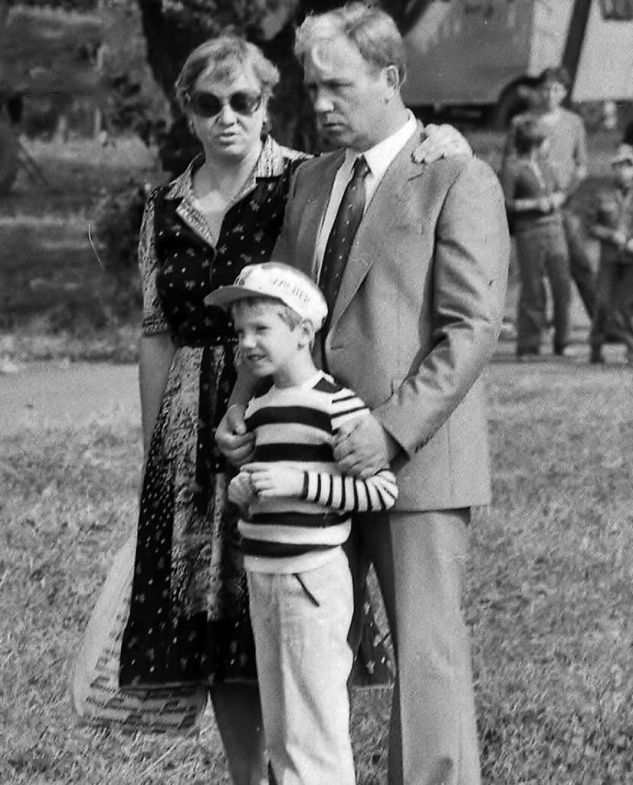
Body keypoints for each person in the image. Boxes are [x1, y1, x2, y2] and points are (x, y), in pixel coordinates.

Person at [121, 31, 473, 785]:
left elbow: (395, 176)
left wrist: (443, 135)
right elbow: (157, 331)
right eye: (208, 103)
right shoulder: (184, 202)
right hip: (221, 431)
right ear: (186, 110)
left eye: (243, 100)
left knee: (329, 619)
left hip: (318, 425)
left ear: (265, 105)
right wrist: (173, 447)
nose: (227, 116)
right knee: (231, 622)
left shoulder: (305, 177)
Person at [216, 4, 510, 785]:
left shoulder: (457, 175)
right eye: (311, 88)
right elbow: (278, 309)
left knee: (426, 656)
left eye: (337, 87)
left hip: (418, 462)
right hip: (311, 458)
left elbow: (471, 328)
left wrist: (390, 429)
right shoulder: (312, 179)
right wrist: (244, 400)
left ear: (390, 78)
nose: (319, 104)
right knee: (309, 654)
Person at [204, 262, 398, 785]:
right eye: (240, 332)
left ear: (303, 331)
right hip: (262, 576)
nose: (247, 343)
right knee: (283, 726)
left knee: (315, 722)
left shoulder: (335, 403)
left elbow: (381, 490)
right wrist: (245, 493)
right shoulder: (260, 408)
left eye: (261, 328)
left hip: (311, 579)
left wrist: (300, 483)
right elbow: (265, 492)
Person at [502, 66, 596, 320]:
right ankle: (535, 326)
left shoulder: (573, 122)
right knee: (533, 273)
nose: (550, 95)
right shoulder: (521, 122)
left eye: (556, 89)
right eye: (545, 89)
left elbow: (582, 166)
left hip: (565, 204)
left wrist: (565, 193)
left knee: (579, 262)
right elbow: (510, 161)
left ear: (564, 92)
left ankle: (600, 323)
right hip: (532, 208)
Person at [501, 118, 571, 358]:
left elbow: (561, 190)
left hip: (554, 228)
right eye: (545, 141)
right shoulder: (513, 168)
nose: (548, 145)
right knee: (533, 288)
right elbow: (507, 202)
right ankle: (529, 345)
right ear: (535, 143)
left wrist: (558, 198)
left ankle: (563, 341)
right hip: (529, 231)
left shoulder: (546, 165)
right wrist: (534, 204)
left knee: (562, 285)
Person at [587, 143, 633, 365]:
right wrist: (610, 235)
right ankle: (595, 346)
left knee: (626, 304)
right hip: (610, 258)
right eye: (618, 166)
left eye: (627, 166)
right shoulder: (602, 194)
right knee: (603, 302)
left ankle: (631, 347)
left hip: (631, 260)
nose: (623, 170)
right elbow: (590, 226)